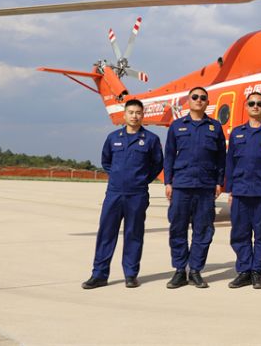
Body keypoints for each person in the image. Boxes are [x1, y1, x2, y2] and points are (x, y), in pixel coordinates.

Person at [82, 99, 163, 289]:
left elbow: (157, 164)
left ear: (143, 115)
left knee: (134, 234)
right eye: (131, 112)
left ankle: (131, 274)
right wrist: (118, 177)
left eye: (138, 113)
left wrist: (142, 179)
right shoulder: (113, 138)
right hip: (114, 193)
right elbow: (106, 161)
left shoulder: (151, 139)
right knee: (106, 233)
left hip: (137, 194)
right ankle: (99, 275)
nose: (134, 116)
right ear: (124, 115)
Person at [164, 86, 226, 289]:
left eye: (203, 97)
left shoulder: (215, 127)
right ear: (189, 101)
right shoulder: (177, 126)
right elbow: (169, 156)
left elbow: (221, 158)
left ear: (207, 102)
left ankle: (196, 270)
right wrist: (168, 182)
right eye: (195, 97)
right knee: (177, 228)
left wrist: (219, 182)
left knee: (204, 230)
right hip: (181, 185)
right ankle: (180, 270)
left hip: (205, 186)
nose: (199, 100)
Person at [225, 92, 261, 290]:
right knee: (239, 233)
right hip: (240, 191)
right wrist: (229, 190)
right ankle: (244, 271)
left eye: (259, 103)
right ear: (246, 106)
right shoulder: (237, 133)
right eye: (252, 103)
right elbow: (230, 163)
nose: (255, 106)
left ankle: (257, 272)